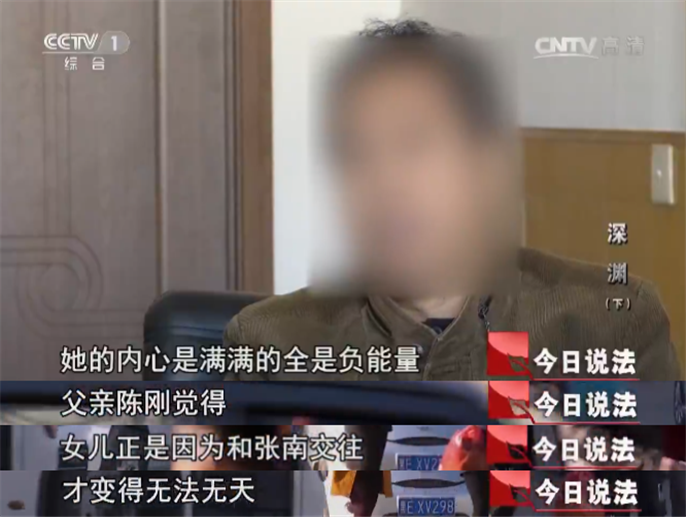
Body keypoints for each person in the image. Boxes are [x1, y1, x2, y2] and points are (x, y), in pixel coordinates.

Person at [223, 18, 681, 382]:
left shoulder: (610, 324)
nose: (385, 182)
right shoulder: (270, 344)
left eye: (414, 144)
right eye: (355, 154)